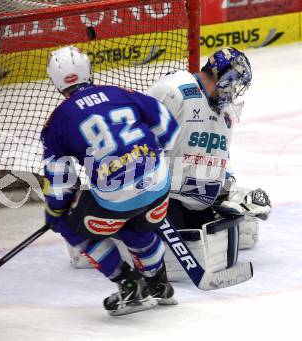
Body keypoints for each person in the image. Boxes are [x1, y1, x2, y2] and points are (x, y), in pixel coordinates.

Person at [41, 45, 179, 316]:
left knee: (67, 224)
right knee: (135, 228)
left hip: (115, 198)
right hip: (159, 186)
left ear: (56, 82)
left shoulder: (57, 121)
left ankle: (129, 285)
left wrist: (55, 211)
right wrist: (145, 155)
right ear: (88, 70)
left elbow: (60, 181)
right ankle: (159, 284)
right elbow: (168, 126)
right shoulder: (120, 93)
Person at [144, 47, 271, 276]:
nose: (234, 91)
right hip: (162, 193)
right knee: (177, 253)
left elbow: (221, 158)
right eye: (234, 82)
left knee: (224, 235)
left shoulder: (226, 112)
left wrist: (230, 189)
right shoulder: (174, 91)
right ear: (222, 75)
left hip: (196, 194)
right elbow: (138, 140)